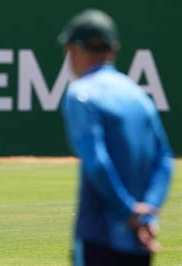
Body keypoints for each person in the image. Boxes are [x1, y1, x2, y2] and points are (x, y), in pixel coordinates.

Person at [59, 9, 173, 266]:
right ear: (113, 49)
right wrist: (147, 215)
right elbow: (164, 159)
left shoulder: (80, 94)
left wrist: (128, 211)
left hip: (99, 238)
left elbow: (96, 161)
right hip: (139, 240)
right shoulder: (139, 96)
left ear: (72, 49)